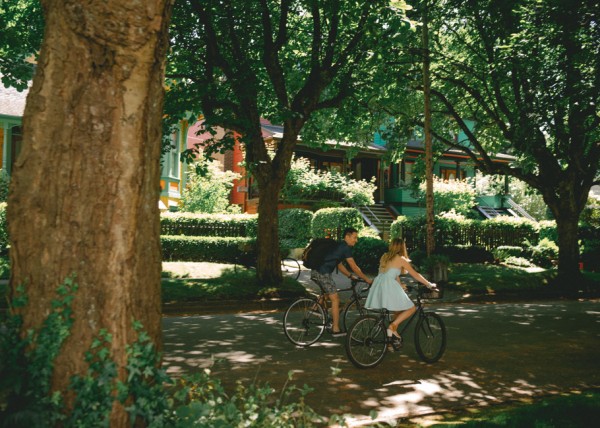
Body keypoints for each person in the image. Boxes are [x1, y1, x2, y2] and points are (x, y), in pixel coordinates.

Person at [365, 238, 437, 346]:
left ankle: (391, 339)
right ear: (402, 247)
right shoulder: (401, 259)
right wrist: (429, 284)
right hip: (389, 285)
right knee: (411, 308)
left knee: (397, 311)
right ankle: (392, 327)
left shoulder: (385, 256)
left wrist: (400, 285)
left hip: (379, 284)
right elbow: (415, 274)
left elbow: (391, 274)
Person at [310, 227, 373, 337]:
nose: (356, 240)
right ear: (347, 237)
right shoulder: (345, 248)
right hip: (322, 273)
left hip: (316, 271)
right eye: (354, 237)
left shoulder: (339, 246)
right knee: (335, 299)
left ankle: (316, 308)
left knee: (328, 292)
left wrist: (350, 276)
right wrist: (366, 279)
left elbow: (339, 264)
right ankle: (335, 329)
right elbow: (354, 266)